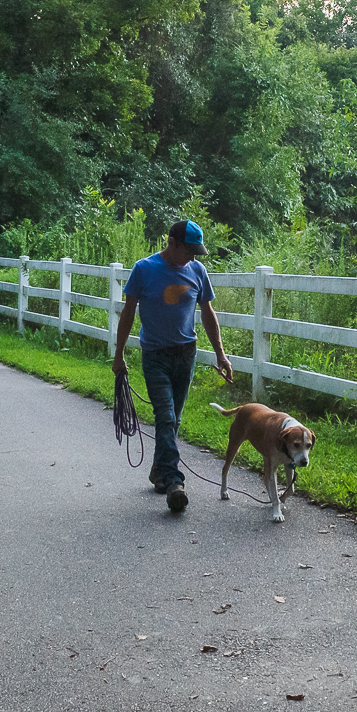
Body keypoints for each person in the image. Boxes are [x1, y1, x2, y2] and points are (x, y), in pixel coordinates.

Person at [113, 218, 233, 513]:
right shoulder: (144, 269)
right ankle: (175, 482)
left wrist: (221, 354)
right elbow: (128, 313)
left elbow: (207, 313)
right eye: (189, 250)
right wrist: (119, 355)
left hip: (186, 355)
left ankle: (159, 471)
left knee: (174, 419)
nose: (193, 257)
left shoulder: (197, 271)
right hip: (155, 356)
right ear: (172, 243)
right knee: (165, 416)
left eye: (196, 252)